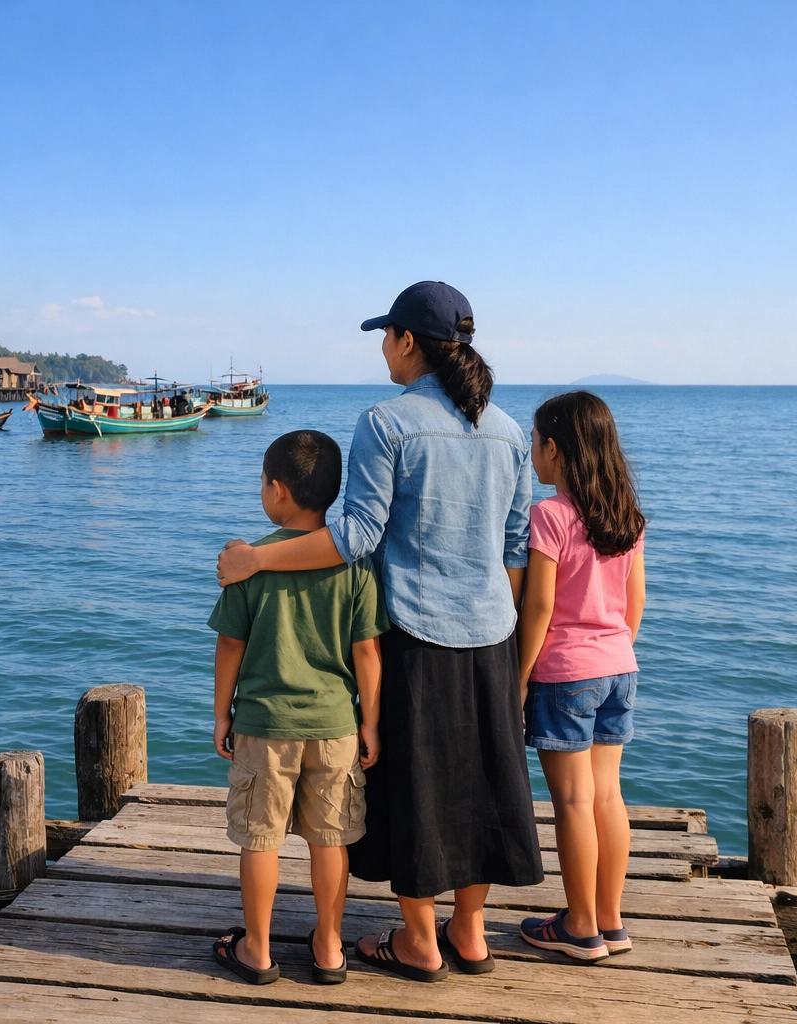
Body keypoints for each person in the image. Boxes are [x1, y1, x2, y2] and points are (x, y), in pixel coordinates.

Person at [218, 281, 543, 982]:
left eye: (385, 336)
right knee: (482, 785)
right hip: (492, 634)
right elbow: (515, 546)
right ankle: (470, 932)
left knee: (419, 789)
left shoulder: (386, 423)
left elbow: (356, 537)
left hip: (417, 635)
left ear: (407, 341)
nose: (382, 350)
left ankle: (421, 942)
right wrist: (500, 624)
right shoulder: (509, 431)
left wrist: (257, 558)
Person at [208, 429, 387, 986]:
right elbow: (367, 651)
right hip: (335, 727)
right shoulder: (355, 565)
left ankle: (257, 951)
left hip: (263, 726)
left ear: (277, 491)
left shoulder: (248, 562)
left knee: (260, 839)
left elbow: (230, 645)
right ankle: (330, 946)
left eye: (263, 483)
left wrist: (221, 714)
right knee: (330, 837)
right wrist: (370, 722)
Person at [516, 391, 647, 963]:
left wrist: (519, 678)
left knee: (570, 801)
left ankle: (579, 926)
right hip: (619, 665)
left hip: (565, 672)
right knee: (607, 796)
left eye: (535, 443)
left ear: (555, 448)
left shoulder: (549, 516)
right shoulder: (626, 514)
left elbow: (539, 609)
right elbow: (634, 603)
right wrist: (612, 650)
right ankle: (611, 920)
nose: (532, 454)